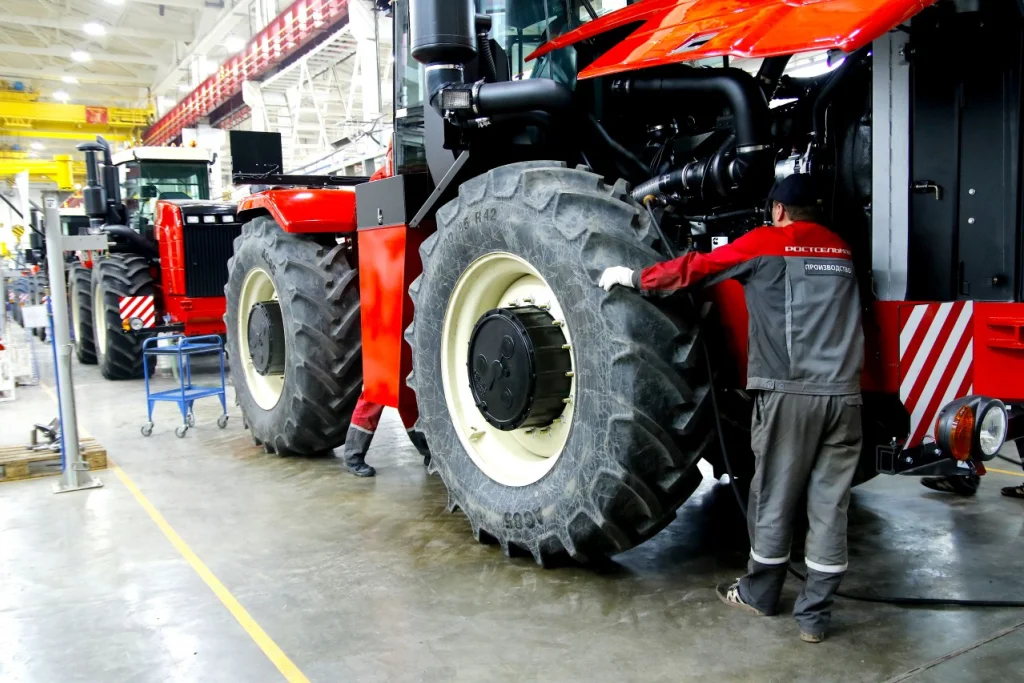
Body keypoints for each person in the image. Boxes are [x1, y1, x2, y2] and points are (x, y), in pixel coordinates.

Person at [599, 175, 864, 643]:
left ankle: (760, 593)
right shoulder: (840, 250)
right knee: (830, 504)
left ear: (778, 211)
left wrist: (635, 278)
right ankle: (815, 616)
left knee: (774, 497)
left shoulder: (766, 242)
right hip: (845, 398)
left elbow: (697, 268)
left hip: (790, 395)